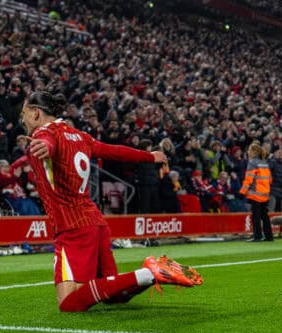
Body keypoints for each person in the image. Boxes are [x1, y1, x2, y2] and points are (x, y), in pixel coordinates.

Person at [20, 91, 202, 313]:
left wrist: (45, 147)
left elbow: (48, 142)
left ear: (37, 113)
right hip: (96, 223)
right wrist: (149, 156)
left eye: (25, 113)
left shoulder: (43, 133)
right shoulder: (80, 136)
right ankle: (149, 276)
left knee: (69, 303)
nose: (22, 119)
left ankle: (150, 272)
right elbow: (115, 151)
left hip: (72, 227)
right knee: (113, 294)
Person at [240, 143, 273, 242]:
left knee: (256, 216)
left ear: (254, 152)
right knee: (265, 216)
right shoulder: (265, 163)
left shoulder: (252, 163)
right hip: (265, 194)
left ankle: (257, 236)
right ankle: (269, 236)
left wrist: (242, 191)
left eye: (249, 150)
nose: (248, 152)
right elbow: (270, 179)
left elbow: (248, 179)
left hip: (255, 194)